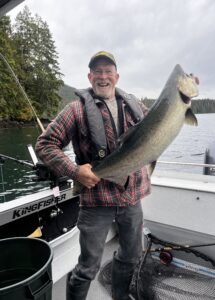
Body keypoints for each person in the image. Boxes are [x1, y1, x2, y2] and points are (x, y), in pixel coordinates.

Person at [35, 51, 151, 300]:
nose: (103, 76)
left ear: (117, 76)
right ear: (90, 77)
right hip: (96, 202)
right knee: (88, 268)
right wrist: (74, 171)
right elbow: (45, 145)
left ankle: (119, 296)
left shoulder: (135, 106)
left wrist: (181, 102)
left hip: (132, 200)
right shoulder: (75, 110)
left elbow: (159, 125)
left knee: (131, 257)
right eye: (97, 71)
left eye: (108, 71)